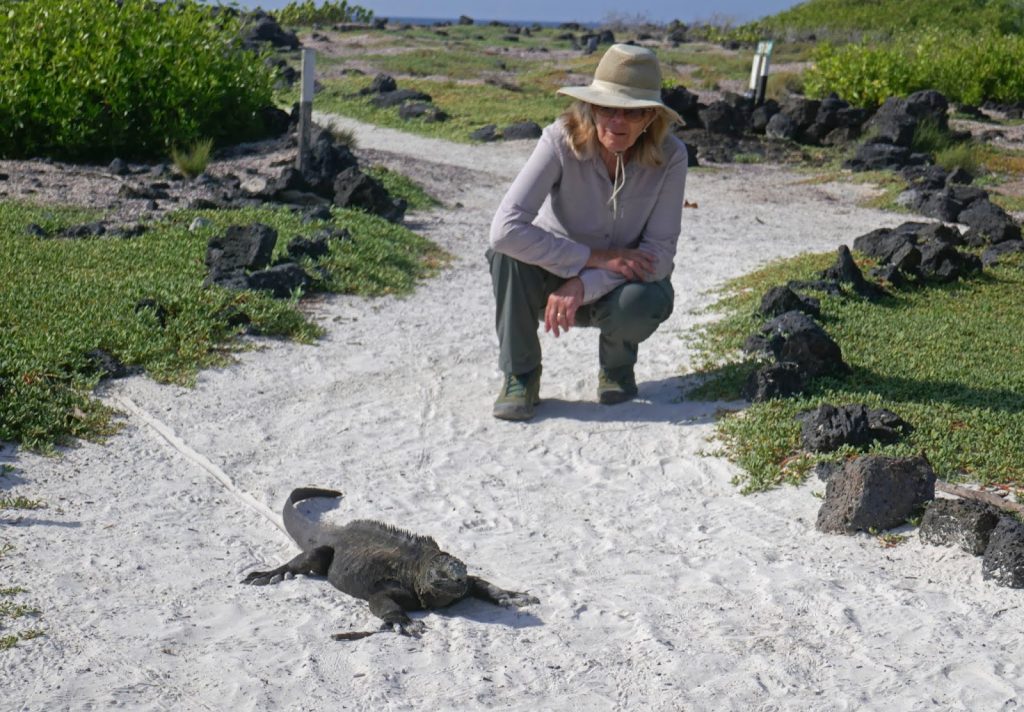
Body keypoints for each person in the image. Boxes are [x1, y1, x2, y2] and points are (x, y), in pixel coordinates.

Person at [487, 43, 688, 421]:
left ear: (650, 117)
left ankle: (616, 367)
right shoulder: (559, 139)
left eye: (634, 111)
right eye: (608, 107)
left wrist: (584, 282)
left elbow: (659, 256)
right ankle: (520, 374)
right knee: (506, 257)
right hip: (551, 274)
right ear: (591, 106)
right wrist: (588, 258)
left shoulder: (672, 155)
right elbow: (503, 230)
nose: (618, 121)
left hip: (621, 283)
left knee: (646, 298)